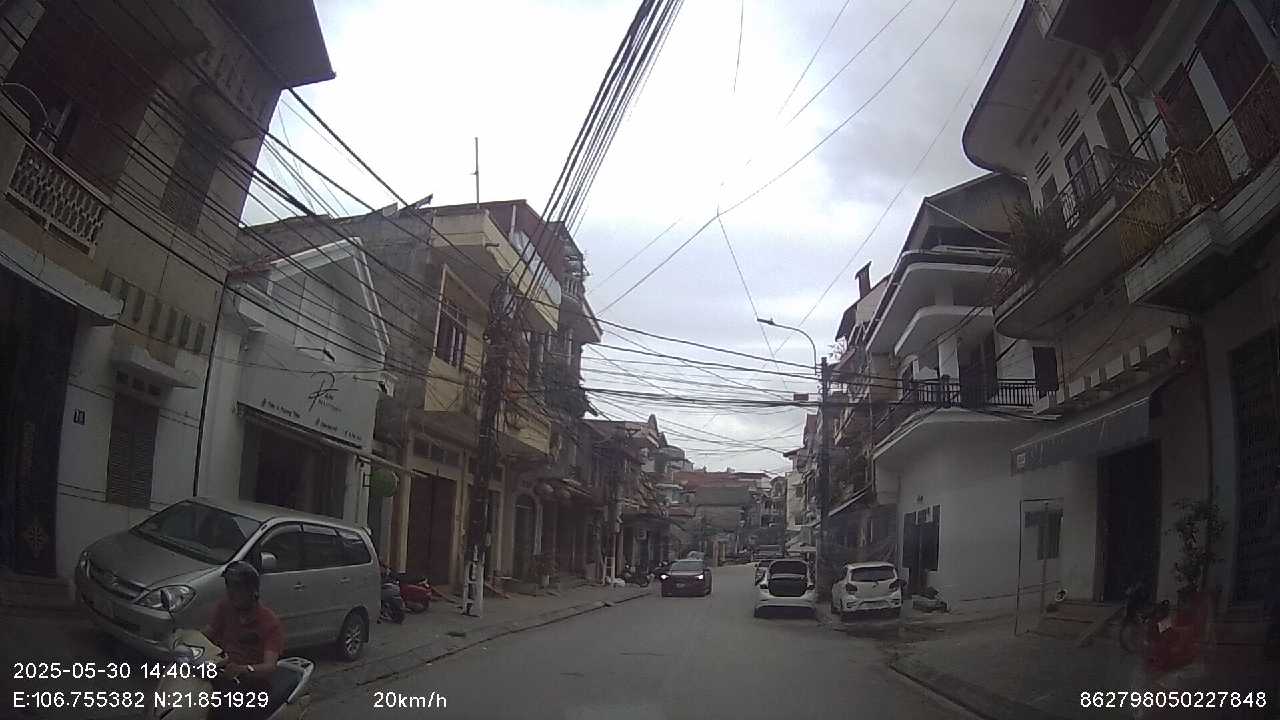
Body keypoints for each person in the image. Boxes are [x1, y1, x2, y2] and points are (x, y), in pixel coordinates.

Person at [203, 561, 290, 719]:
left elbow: (269, 666)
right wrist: (185, 641)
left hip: (254, 687)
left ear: (252, 591)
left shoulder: (269, 622)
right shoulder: (225, 607)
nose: (231, 592)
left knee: (225, 710)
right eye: (229, 586)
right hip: (223, 675)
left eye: (238, 587)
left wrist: (244, 669)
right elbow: (207, 635)